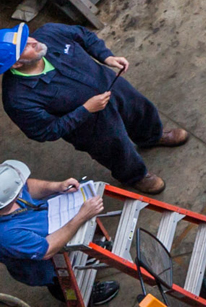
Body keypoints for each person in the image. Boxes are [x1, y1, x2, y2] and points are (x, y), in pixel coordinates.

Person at [0, 23, 187, 196]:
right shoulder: (18, 98)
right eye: (25, 46)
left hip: (111, 85)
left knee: (139, 109)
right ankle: (135, 177)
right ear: (16, 64)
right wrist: (86, 110)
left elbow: (83, 35)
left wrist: (107, 56)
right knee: (115, 149)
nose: (34, 41)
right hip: (89, 125)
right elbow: (44, 131)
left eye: (26, 37)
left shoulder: (49, 33)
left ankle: (152, 137)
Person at [0, 159, 117, 305]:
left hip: (51, 220)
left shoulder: (7, 191)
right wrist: (81, 216)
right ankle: (84, 295)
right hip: (43, 264)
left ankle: (85, 257)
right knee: (61, 281)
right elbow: (46, 249)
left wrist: (56, 186)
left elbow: (28, 186)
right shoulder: (6, 236)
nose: (21, 190)